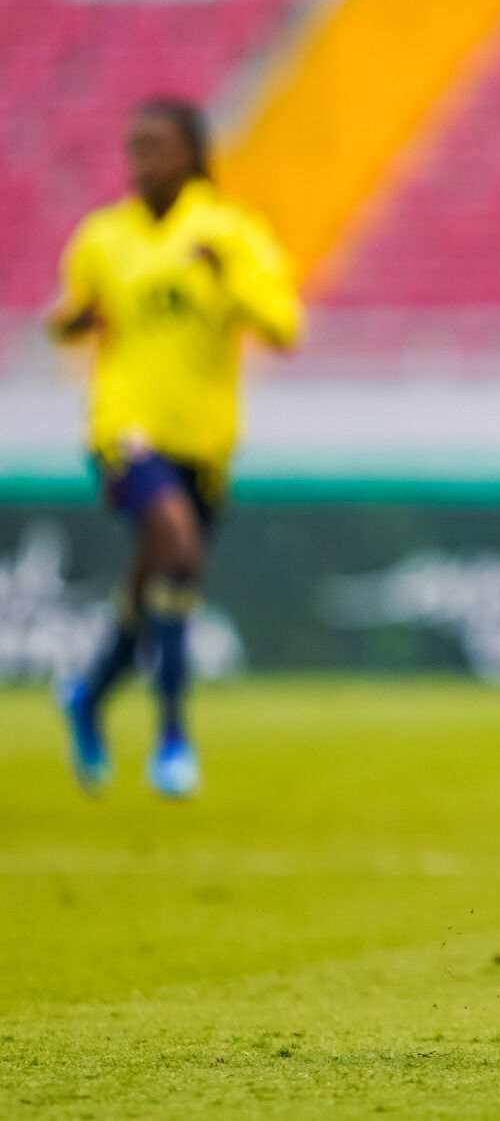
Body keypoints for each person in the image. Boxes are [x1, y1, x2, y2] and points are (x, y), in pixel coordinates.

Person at [47, 97, 301, 798]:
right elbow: (73, 314)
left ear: (192, 152)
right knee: (178, 548)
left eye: (156, 146)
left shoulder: (230, 233)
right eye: (134, 147)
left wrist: (226, 280)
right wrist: (68, 323)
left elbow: (283, 324)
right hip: (125, 429)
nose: (142, 161)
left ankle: (89, 696)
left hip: (203, 444)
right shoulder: (103, 237)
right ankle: (172, 735)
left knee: (153, 582)